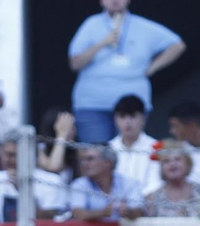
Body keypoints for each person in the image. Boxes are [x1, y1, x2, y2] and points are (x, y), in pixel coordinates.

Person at [68, 0, 185, 143]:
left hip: (132, 104)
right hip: (93, 105)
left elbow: (177, 45)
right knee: (95, 154)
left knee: (130, 150)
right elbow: (75, 63)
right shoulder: (91, 25)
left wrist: (151, 68)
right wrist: (102, 43)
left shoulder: (143, 26)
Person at [0, 137, 69, 223]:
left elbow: (48, 219)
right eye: (4, 154)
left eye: (13, 155)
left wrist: (21, 189)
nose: (7, 159)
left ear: (28, 156)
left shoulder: (52, 180)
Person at [142, 139, 200, 218]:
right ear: (161, 167)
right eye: (167, 161)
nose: (172, 164)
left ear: (188, 163)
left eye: (177, 159)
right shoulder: (152, 198)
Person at [67, 143, 143, 222]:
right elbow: (77, 214)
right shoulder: (79, 184)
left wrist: (128, 211)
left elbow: (138, 212)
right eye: (83, 160)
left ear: (108, 163)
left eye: (90, 159)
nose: (85, 163)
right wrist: (103, 213)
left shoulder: (130, 183)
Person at [109, 92, 160, 192]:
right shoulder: (109, 148)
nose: (127, 121)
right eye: (122, 116)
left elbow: (156, 183)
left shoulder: (155, 146)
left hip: (147, 203)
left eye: (132, 116)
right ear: (115, 119)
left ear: (143, 118)